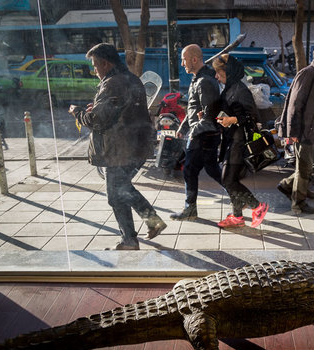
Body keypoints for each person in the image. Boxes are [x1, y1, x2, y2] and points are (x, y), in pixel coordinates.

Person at [68, 43, 166, 250]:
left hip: (119, 150)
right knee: (121, 190)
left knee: (116, 194)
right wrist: (97, 109)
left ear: (105, 63)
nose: (94, 71)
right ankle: (144, 227)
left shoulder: (113, 83)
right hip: (134, 146)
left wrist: (78, 112)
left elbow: (97, 120)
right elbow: (118, 111)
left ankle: (133, 237)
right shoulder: (130, 78)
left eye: (95, 66)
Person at [276, 40, 314, 214]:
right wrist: (292, 132)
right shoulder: (308, 73)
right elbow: (295, 104)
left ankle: (287, 185)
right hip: (304, 130)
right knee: (304, 168)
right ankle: (298, 203)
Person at [212, 54, 269, 228]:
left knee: (228, 180)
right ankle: (237, 216)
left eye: (219, 72)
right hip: (231, 140)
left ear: (229, 72)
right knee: (230, 180)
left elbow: (251, 116)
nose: (216, 76)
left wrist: (233, 120)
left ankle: (257, 206)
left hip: (240, 142)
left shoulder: (240, 89)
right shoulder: (229, 88)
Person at [170, 44, 223, 221]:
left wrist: (193, 132)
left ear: (194, 59)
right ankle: (246, 199)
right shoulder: (198, 79)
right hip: (203, 134)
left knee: (189, 171)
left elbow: (209, 115)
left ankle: (190, 210)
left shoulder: (205, 82)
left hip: (203, 136)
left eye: (184, 59)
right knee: (213, 170)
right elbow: (194, 109)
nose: (182, 63)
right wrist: (183, 127)